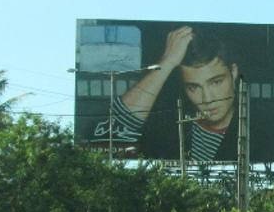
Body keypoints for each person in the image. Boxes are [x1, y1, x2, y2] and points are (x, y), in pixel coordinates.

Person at [95, 26, 242, 161]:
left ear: (233, 73)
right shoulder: (167, 127)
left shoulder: (257, 129)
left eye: (216, 82)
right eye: (194, 87)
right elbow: (107, 136)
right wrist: (167, 62)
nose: (208, 99)